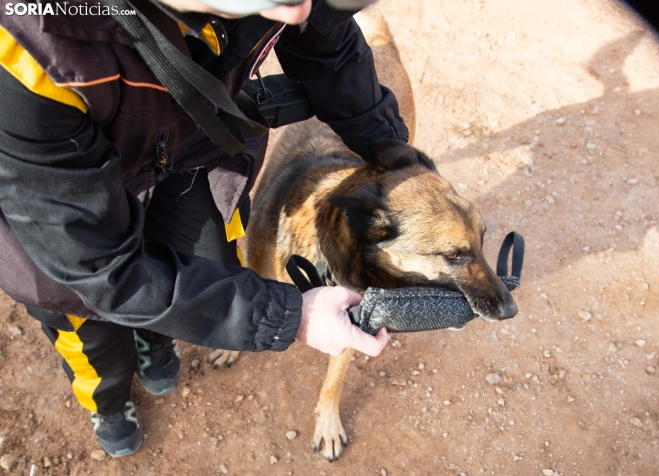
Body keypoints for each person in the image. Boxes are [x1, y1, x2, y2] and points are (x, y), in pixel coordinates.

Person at [0, 0, 404, 457]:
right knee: (90, 329)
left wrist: (397, 159)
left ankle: (155, 337)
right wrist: (293, 316)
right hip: (67, 223)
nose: (298, 14)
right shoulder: (27, 50)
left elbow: (328, 48)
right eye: (277, 0)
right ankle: (108, 401)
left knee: (203, 263)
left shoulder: (292, 4)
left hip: (188, 152)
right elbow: (100, 268)